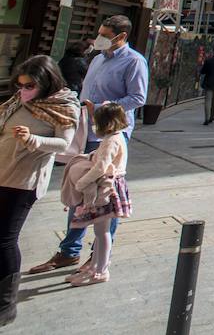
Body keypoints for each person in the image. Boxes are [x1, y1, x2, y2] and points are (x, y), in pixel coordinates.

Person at [27, 16, 146, 276]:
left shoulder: (134, 61)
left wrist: (103, 109)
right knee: (80, 191)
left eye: (105, 34)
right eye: (100, 32)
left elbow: (138, 97)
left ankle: (99, 256)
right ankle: (69, 251)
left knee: (105, 194)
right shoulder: (98, 59)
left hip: (113, 133)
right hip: (87, 130)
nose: (99, 37)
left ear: (121, 36)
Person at [0, 56, 78, 323]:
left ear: (47, 82)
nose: (23, 91)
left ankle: (6, 304)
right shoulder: (19, 101)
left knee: (5, 240)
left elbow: (64, 144)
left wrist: (32, 139)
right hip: (1, 172)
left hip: (23, 181)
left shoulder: (64, 106)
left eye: (30, 85)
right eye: (20, 85)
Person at [62, 102, 131, 287]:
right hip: (109, 187)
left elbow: (101, 167)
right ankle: (95, 267)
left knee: (102, 232)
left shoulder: (111, 141)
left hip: (105, 189)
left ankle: (100, 271)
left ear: (106, 124)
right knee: (101, 232)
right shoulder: (116, 137)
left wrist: (81, 182)